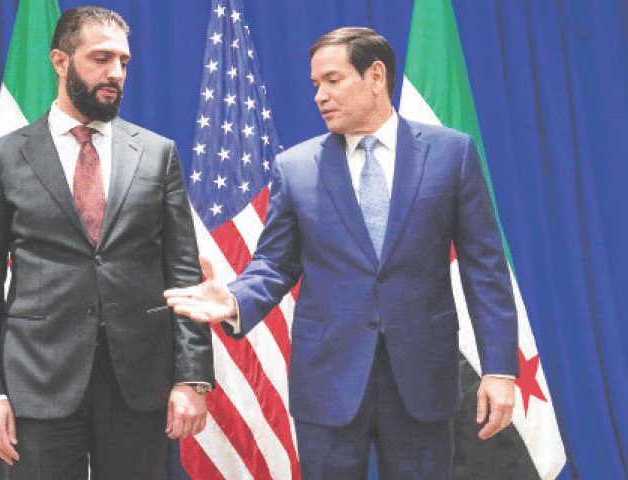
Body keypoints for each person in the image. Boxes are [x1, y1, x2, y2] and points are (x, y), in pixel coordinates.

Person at [165, 27, 518, 479]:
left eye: (333, 80)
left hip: (422, 376)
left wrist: (501, 369)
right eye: (316, 85)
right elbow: (275, 264)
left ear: (375, 76)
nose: (320, 95)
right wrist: (235, 299)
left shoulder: (451, 154)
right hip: (327, 379)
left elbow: (484, 269)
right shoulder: (295, 168)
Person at [0, 6, 213, 479]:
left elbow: (185, 277)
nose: (116, 73)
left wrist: (193, 378)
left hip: (139, 383)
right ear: (59, 60)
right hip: (37, 381)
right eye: (101, 58)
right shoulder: (2, 160)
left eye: (124, 62)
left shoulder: (158, 154)